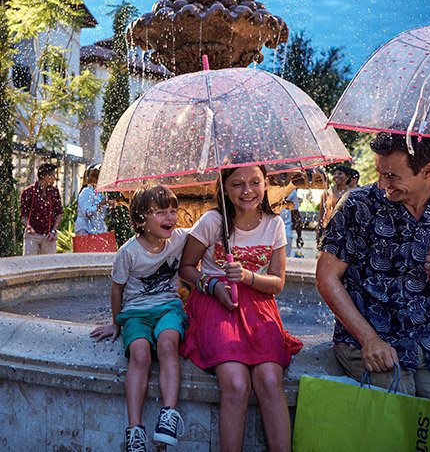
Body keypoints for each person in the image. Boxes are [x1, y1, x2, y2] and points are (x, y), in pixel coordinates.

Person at [316, 132, 430, 450]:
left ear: (428, 170)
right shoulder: (358, 206)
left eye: (392, 176)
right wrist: (368, 338)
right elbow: (326, 277)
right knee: (400, 441)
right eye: (379, 172)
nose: (383, 183)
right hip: (369, 342)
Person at [179, 165, 302, 452]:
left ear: (266, 183)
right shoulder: (212, 221)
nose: (247, 191)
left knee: (270, 379)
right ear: (224, 188)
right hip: (216, 303)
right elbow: (186, 268)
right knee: (235, 383)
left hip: (258, 304)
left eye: (254, 182)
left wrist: (249, 276)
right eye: (237, 184)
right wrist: (211, 285)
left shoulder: (274, 224)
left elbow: (277, 283)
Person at [90, 185, 188, 452]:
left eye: (172, 211)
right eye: (160, 212)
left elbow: (206, 230)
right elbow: (117, 288)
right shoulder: (128, 252)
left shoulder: (179, 239)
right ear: (141, 220)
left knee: (169, 344)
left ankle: (168, 414)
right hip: (135, 313)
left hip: (168, 307)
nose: (170, 217)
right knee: (140, 355)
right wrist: (115, 322)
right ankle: (135, 429)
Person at [20, 163, 63, 255]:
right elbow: (23, 216)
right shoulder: (28, 192)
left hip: (49, 236)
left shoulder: (54, 192)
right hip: (33, 235)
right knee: (29, 264)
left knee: (50, 265)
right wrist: (29, 227)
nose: (54, 178)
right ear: (44, 176)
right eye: (52, 175)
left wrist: (53, 231)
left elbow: (59, 213)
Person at [316, 165, 351, 239]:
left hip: (346, 231)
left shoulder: (351, 193)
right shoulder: (327, 193)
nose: (336, 176)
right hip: (328, 230)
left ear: (347, 177)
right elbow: (321, 213)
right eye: (334, 174)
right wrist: (318, 232)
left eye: (340, 173)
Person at [74, 165, 108, 236]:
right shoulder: (86, 192)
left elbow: (102, 214)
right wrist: (100, 204)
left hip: (98, 230)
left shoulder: (99, 193)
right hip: (85, 229)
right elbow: (87, 213)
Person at [279, 189, 300, 258]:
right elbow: (296, 214)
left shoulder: (292, 191)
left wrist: (299, 235)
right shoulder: (292, 191)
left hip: (284, 232)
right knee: (284, 261)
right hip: (285, 232)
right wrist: (299, 235)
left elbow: (295, 213)